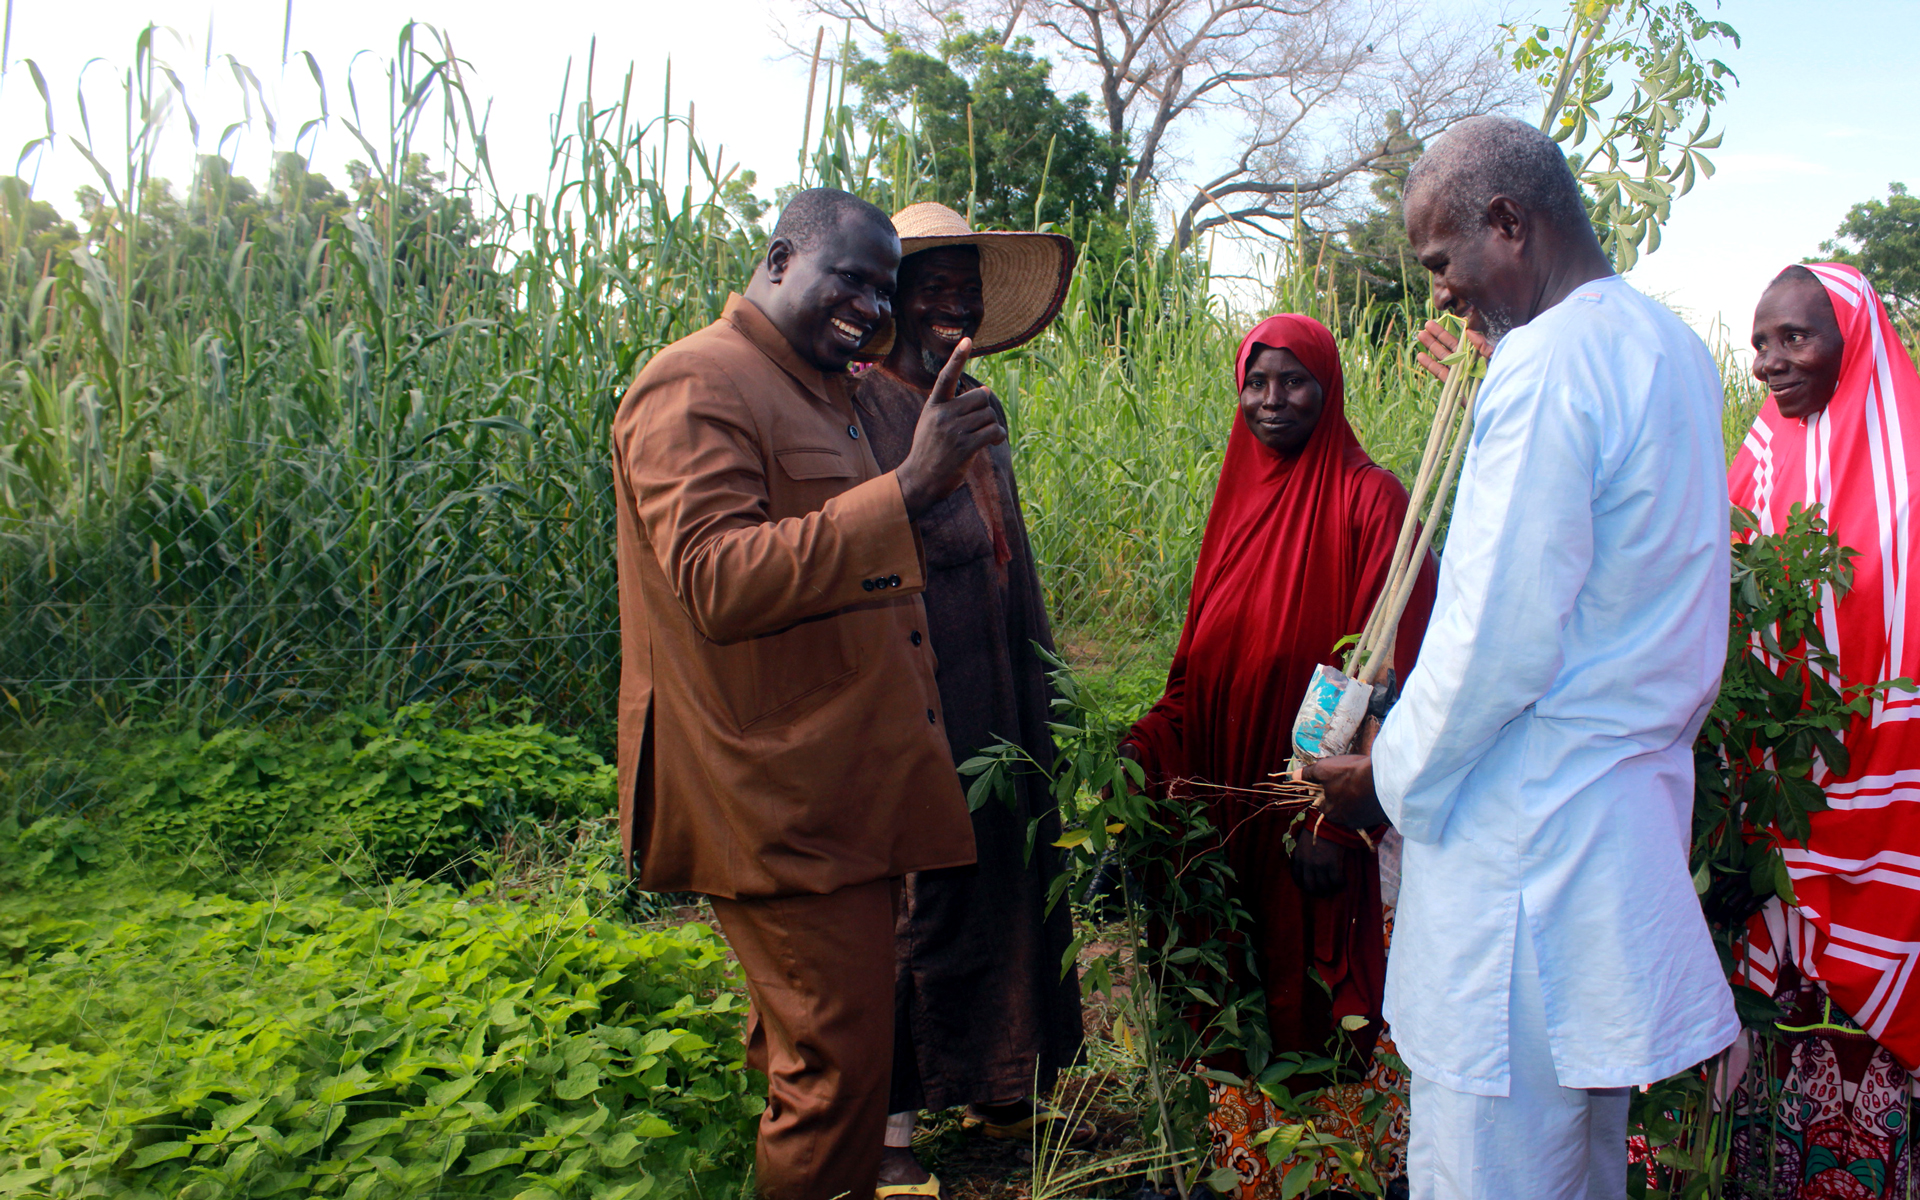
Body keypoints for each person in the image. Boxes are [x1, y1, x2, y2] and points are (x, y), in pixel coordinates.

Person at [1308, 114, 1739, 1200]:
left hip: (1523, 850)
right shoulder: (1669, 348)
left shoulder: (1547, 367)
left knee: (1488, 1162)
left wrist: (1384, 781)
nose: (1441, 295)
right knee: (1580, 1162)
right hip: (1615, 832)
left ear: (1510, 222)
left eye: (1442, 261)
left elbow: (1493, 639)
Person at [611, 188, 1010, 1200]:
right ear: (782, 258)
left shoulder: (825, 388)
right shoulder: (696, 385)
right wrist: (907, 487)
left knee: (828, 1046)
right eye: (853, 279)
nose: (873, 307)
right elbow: (717, 578)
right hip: (775, 797)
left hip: (841, 787)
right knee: (836, 1079)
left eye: (886, 289)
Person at [1117, 310, 1437, 1194]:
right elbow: (1193, 670)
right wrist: (1138, 757)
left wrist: (1334, 823)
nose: (1271, 399)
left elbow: (1395, 674)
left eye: (1292, 380)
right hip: (1230, 799)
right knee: (1240, 974)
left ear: (1328, 387)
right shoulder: (1236, 500)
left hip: (1317, 810)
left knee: (1315, 982)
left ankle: (1337, 1175)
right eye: (1256, 381)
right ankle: (1248, 1169)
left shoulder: (1371, 500)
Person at [848, 201, 1087, 1196]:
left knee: (1002, 871)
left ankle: (997, 1078)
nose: (956, 311)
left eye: (968, 295)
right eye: (935, 292)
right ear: (895, 304)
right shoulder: (863, 404)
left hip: (994, 683)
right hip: (920, 691)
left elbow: (1000, 559)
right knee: (920, 898)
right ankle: (891, 1129)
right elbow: (859, 548)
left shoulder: (976, 404)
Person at [1723, 262, 1920, 1197]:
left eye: (1794, 337)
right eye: (1759, 342)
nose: (1769, 361)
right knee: (1790, 1029)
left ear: (1855, 334)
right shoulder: (1759, 458)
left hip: (1896, 807)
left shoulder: (1913, 460)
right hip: (1788, 808)